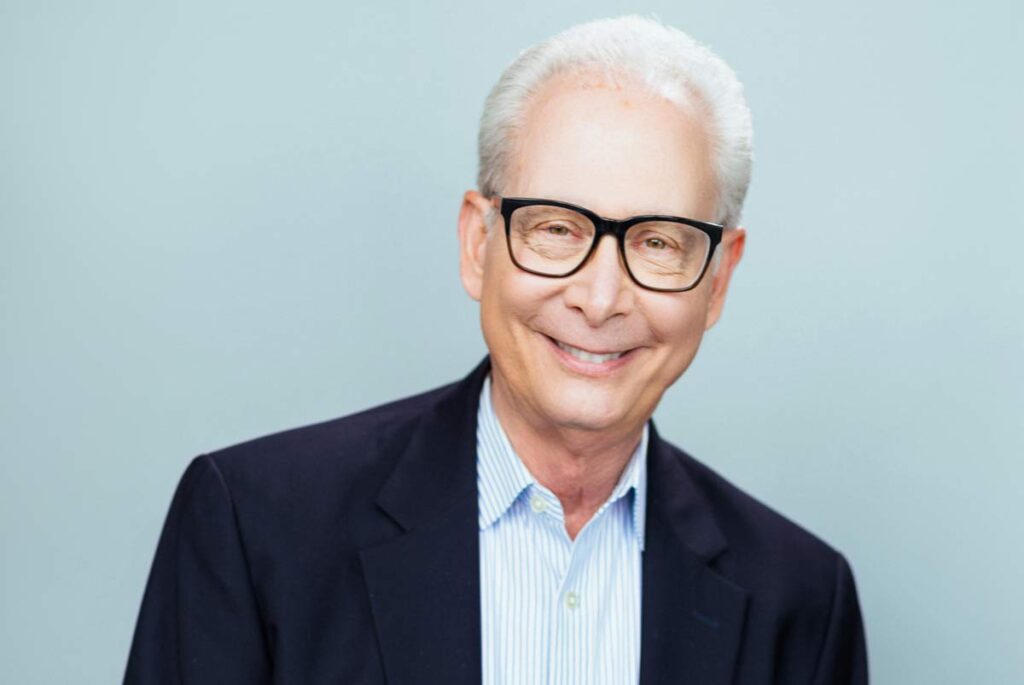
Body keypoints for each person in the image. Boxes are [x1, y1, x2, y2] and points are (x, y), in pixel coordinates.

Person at [124, 14, 867, 685]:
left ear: (718, 279)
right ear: (479, 245)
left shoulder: (801, 601)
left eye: (660, 242)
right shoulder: (254, 531)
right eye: (556, 229)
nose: (600, 298)